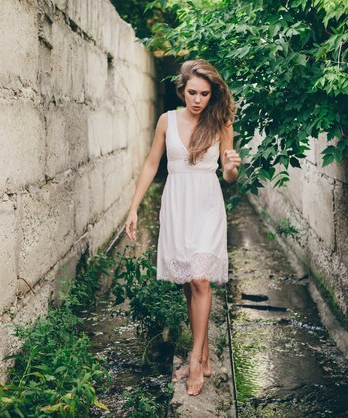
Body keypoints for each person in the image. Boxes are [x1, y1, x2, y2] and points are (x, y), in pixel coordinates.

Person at [124, 59, 241, 396]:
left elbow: (229, 175)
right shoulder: (167, 120)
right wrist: (133, 208)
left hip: (207, 203)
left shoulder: (221, 122)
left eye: (205, 93)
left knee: (201, 279)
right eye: (192, 92)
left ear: (212, 93)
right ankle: (203, 358)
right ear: (182, 89)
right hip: (177, 203)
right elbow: (151, 163)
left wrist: (232, 167)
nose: (198, 100)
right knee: (189, 285)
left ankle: (194, 360)